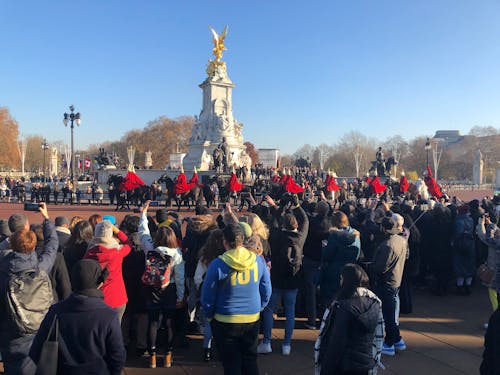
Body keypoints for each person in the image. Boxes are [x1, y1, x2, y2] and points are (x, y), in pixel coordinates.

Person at [29, 259, 126, 375]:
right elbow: (117, 357)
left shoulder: (55, 312)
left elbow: (36, 352)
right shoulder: (108, 315)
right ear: (99, 282)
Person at [201, 223, 271, 375]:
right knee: (250, 360)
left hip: (225, 319)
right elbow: (266, 289)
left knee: (231, 363)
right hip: (251, 318)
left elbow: (207, 296)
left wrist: (209, 314)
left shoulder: (218, 264)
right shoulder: (258, 261)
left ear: (225, 242)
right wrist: (259, 307)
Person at [0, 203, 58, 375]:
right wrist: (46, 218)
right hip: (39, 327)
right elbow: (52, 245)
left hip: (12, 333)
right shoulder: (41, 268)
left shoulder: (3, 273)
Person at [259, 194, 309, 356]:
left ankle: (267, 341)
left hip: (276, 279)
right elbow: (306, 221)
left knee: (269, 310)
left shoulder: (276, 236)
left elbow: (274, 221)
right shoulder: (300, 237)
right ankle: (286, 344)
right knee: (290, 312)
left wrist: (277, 207)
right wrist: (297, 206)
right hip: (293, 280)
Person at [138, 200, 185, 368]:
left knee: (153, 322)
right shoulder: (176, 253)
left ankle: (152, 355)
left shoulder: (150, 249)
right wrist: (180, 296)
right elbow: (179, 277)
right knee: (168, 322)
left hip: (151, 288)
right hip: (169, 289)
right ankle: (167, 355)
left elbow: (143, 233)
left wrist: (143, 214)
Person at [314, 264, 384, 375]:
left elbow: (336, 342)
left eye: (341, 278)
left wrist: (325, 369)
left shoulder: (344, 307)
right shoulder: (375, 303)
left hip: (343, 365)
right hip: (364, 363)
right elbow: (378, 335)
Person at [370, 213, 408, 356]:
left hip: (387, 282)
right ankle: (397, 339)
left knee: (388, 315)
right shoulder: (402, 240)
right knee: (390, 312)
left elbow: (381, 267)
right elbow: (407, 256)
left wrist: (370, 267)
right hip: (397, 278)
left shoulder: (387, 245)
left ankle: (389, 343)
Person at [84, 219, 132, 322]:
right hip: (117, 297)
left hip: (96, 298)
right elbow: (128, 244)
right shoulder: (117, 253)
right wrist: (117, 231)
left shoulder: (89, 254)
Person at [194, 229, 225, 361]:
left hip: (207, 293)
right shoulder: (226, 257)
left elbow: (197, 278)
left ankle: (207, 349)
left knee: (208, 323)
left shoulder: (204, 256)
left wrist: (201, 289)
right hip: (222, 294)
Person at [319, 211, 361, 311]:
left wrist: (324, 248)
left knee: (331, 299)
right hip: (350, 271)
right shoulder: (355, 235)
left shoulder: (334, 236)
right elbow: (358, 253)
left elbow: (327, 255)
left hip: (334, 271)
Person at [302, 200, 331, 329]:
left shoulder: (311, 222)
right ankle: (323, 318)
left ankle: (312, 320)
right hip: (324, 260)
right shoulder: (330, 223)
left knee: (311, 291)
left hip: (311, 258)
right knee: (324, 290)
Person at [452, 205, 476, 295]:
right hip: (470, 244)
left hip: (459, 244)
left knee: (459, 264)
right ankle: (468, 286)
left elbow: (456, 233)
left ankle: (460, 286)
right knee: (469, 264)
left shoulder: (457, 220)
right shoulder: (471, 220)